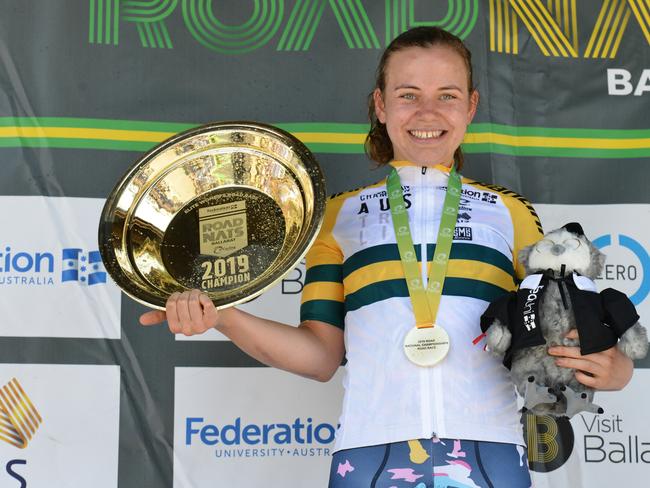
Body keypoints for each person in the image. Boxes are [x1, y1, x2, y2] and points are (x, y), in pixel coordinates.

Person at [140, 26, 634, 487]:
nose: (427, 112)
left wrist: (616, 369)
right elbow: (319, 357)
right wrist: (225, 317)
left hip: (493, 452)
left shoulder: (510, 213)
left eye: (447, 95)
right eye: (407, 95)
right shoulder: (335, 217)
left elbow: (560, 331)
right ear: (380, 105)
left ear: (471, 106)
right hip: (371, 454)